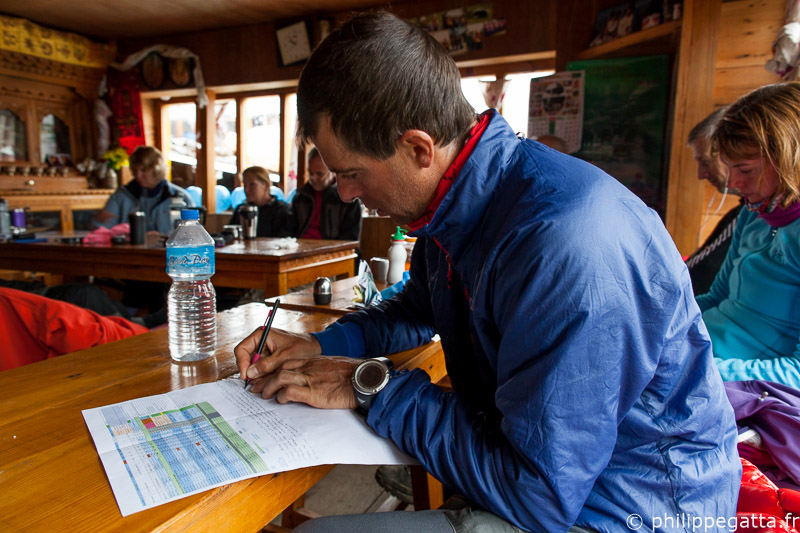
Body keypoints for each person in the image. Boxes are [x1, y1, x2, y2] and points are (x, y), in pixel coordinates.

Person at [235, 13, 739, 532]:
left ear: (418, 149)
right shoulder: (463, 198)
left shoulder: (561, 244)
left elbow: (536, 493)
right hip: (557, 478)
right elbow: (418, 305)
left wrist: (369, 384)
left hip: (636, 505)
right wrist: (322, 346)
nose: (342, 194)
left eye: (350, 173)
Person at [698, 82, 800, 389]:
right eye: (730, 168)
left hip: (743, 379)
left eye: (745, 169)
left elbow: (796, 373)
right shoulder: (753, 213)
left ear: (788, 161)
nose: (732, 182)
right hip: (706, 352)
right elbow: (717, 298)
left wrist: (697, 370)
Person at [684, 107, 744, 295]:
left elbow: (703, 272)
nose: (701, 174)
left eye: (705, 161)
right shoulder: (744, 213)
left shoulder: (750, 214)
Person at [95, 145, 194, 234]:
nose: (138, 175)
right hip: (131, 252)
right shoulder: (121, 196)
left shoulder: (181, 197)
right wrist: (134, 237)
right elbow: (100, 230)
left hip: (170, 252)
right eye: (135, 170)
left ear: (157, 169)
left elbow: (192, 234)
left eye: (143, 170)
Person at [291, 147, 362, 241]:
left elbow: (350, 238)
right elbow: (289, 230)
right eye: (310, 173)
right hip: (299, 249)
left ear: (333, 172)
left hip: (332, 252)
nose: (313, 178)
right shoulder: (300, 197)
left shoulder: (348, 200)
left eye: (319, 174)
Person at [228, 166, 294, 237]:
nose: (246, 189)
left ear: (266, 185)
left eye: (252, 185)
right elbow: (229, 235)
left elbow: (284, 241)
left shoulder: (281, 210)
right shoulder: (241, 209)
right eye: (245, 185)